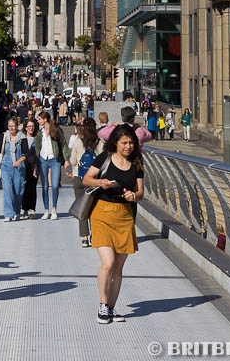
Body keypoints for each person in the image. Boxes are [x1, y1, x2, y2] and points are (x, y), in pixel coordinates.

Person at [82, 124, 144, 324]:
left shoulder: (137, 163)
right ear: (115, 143)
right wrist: (101, 183)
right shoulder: (104, 159)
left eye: (131, 142)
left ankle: (111, 308)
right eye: (124, 142)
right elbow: (86, 179)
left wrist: (133, 195)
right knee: (107, 263)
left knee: (118, 267)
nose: (128, 146)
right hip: (102, 213)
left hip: (125, 216)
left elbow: (141, 192)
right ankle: (102, 304)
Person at [70, 118, 104, 247]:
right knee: (94, 207)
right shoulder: (99, 142)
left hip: (79, 178)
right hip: (94, 179)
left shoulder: (78, 141)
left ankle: (84, 237)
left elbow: (73, 161)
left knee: (82, 208)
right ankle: (95, 235)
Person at [34, 111, 70, 220]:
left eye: (39, 119)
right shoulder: (39, 132)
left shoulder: (56, 130)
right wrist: (36, 164)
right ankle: (46, 210)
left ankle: (54, 208)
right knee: (44, 186)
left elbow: (64, 145)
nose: (38, 121)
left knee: (54, 185)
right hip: (43, 160)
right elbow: (37, 148)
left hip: (55, 160)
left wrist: (66, 159)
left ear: (45, 120)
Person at [0, 117, 26, 221]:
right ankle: (8, 214)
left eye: (13, 126)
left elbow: (26, 154)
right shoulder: (4, 136)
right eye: (9, 126)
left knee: (18, 191)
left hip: (18, 167)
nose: (11, 128)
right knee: (7, 190)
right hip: (6, 165)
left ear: (17, 126)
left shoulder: (22, 137)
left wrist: (19, 161)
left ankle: (16, 211)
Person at [21, 118, 39, 219]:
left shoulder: (37, 139)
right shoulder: (22, 138)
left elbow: (38, 152)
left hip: (34, 165)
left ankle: (32, 209)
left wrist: (35, 165)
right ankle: (24, 208)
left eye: (32, 126)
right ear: (25, 128)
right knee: (24, 187)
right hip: (23, 165)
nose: (31, 128)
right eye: (29, 126)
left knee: (32, 186)